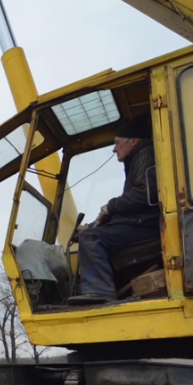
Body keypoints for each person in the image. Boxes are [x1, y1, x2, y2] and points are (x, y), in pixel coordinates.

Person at [67, 115, 159, 305]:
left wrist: (110, 207)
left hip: (146, 225)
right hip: (142, 223)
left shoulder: (144, 154)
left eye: (117, 143)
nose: (114, 148)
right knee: (93, 233)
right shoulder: (137, 159)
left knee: (91, 237)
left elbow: (144, 195)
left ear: (134, 141)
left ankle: (99, 291)